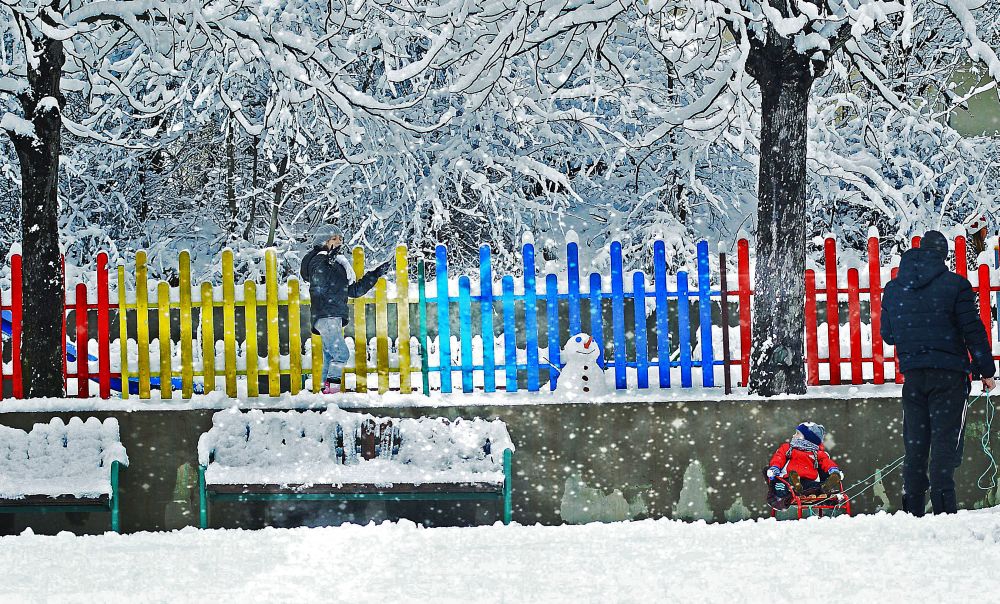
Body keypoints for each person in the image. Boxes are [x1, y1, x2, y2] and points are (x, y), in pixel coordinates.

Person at [880, 230, 997, 516]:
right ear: (943, 255)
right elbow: (973, 332)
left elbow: (888, 335)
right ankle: (944, 514)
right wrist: (986, 371)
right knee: (946, 445)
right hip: (950, 377)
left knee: (915, 446)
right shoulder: (956, 285)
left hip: (913, 378)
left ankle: (912, 512)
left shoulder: (894, 289)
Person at [302, 226, 391, 393]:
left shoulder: (338, 264)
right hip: (326, 314)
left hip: (332, 315)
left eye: (340, 238)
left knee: (330, 355)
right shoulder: (317, 260)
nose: (339, 241)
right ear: (324, 241)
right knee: (341, 354)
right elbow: (318, 278)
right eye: (334, 238)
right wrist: (328, 261)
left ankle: (325, 392)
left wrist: (375, 274)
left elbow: (354, 291)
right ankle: (332, 390)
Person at [765, 422, 843, 510]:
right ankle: (796, 485)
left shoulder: (816, 453)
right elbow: (779, 457)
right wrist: (775, 467)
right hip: (789, 477)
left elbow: (826, 461)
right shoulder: (789, 448)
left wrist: (833, 469)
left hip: (807, 481)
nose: (794, 435)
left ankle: (824, 487)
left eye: (797, 433)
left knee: (813, 486)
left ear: (808, 438)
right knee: (784, 487)